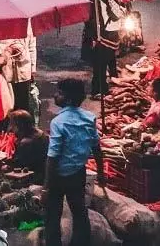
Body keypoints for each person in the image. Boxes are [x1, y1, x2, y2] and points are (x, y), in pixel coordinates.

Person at [45, 79, 105, 246]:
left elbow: (53, 156)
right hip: (78, 173)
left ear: (69, 99)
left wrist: (46, 186)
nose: (55, 95)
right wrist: (100, 173)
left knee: (52, 215)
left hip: (58, 176)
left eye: (59, 93)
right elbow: (96, 148)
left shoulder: (58, 122)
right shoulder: (89, 118)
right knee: (79, 213)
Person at [2, 35, 37, 119]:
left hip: (23, 71)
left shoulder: (27, 24)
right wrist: (8, 49)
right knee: (6, 106)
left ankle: (23, 129)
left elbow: (32, 46)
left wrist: (32, 69)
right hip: (5, 72)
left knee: (23, 107)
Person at [8, 110, 48, 184]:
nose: (11, 128)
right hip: (43, 171)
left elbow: (18, 164)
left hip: (33, 176)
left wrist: (5, 164)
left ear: (19, 125)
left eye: (12, 125)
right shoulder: (40, 133)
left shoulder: (26, 142)